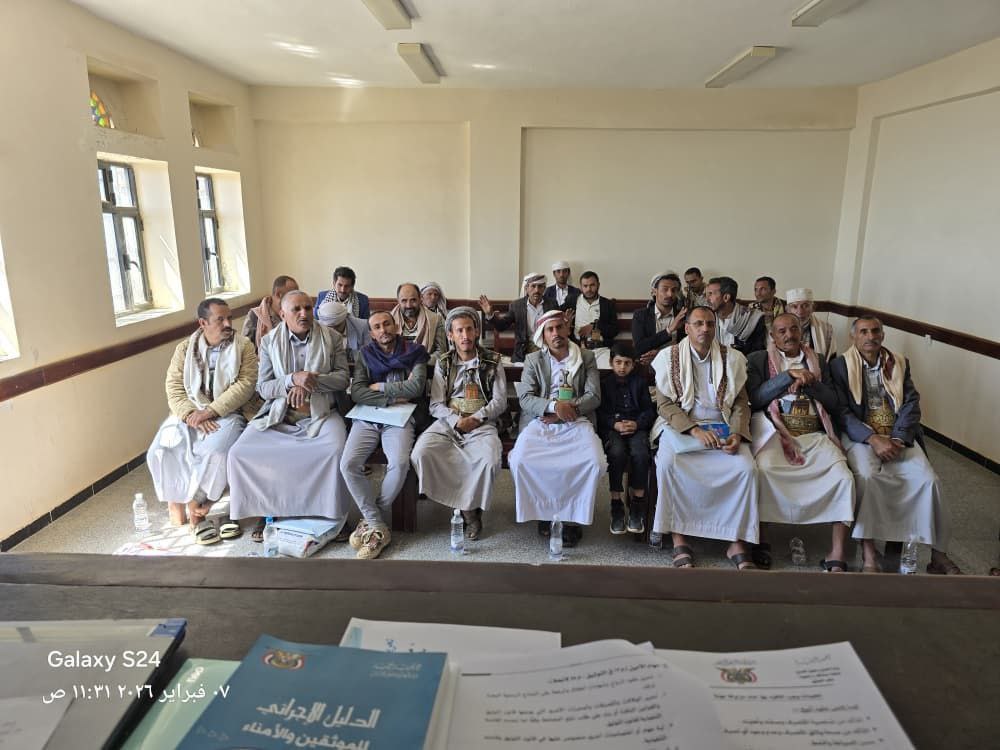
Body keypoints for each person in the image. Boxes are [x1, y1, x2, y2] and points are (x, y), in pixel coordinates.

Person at [829, 317, 961, 574]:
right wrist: (872, 438)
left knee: (929, 481)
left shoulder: (898, 362)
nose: (870, 337)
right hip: (860, 436)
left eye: (875, 331)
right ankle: (868, 551)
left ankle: (938, 555)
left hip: (898, 437)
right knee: (867, 477)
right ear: (853, 337)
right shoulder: (840, 366)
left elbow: (911, 404)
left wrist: (898, 438)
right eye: (863, 332)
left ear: (883, 335)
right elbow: (841, 411)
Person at [227, 291, 352, 540]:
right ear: (283, 314)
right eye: (296, 309)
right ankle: (266, 511)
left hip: (322, 414)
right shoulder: (269, 341)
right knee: (240, 453)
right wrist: (291, 379)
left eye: (308, 308)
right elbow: (264, 388)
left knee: (334, 452)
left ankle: (332, 516)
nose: (303, 314)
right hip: (279, 414)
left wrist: (310, 381)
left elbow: (342, 378)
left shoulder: (332, 337)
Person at [650, 306, 759, 570]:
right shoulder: (668, 357)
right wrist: (694, 430)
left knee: (746, 469)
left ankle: (735, 540)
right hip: (681, 426)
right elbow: (664, 405)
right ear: (686, 327)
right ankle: (679, 537)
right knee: (668, 465)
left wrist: (736, 433)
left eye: (710, 324)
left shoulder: (733, 358)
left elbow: (741, 403)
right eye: (698, 324)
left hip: (723, 425)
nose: (705, 329)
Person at [747, 313, 855, 572]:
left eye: (793, 329)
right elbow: (756, 398)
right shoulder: (758, 359)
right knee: (763, 470)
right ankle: (762, 539)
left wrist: (810, 382)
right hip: (776, 432)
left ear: (802, 332)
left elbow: (833, 402)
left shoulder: (819, 360)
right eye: (782, 331)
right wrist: (787, 376)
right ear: (772, 336)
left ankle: (837, 552)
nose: (789, 335)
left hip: (815, 433)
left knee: (843, 476)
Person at [147, 299, 257, 543]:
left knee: (216, 451)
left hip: (228, 412)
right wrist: (190, 414)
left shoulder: (243, 346)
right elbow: (174, 387)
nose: (228, 324)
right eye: (220, 319)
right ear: (203, 323)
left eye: (229, 318)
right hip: (189, 414)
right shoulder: (185, 349)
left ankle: (199, 505)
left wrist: (211, 411)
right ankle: (185, 504)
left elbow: (245, 385)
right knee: (161, 450)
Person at [508, 310, 606, 547]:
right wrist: (553, 406)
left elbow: (594, 396)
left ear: (567, 328)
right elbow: (526, 398)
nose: (556, 333)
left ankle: (572, 519)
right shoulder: (534, 360)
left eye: (559, 327)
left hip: (576, 420)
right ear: (543, 335)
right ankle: (544, 513)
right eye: (550, 329)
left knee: (593, 462)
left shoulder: (586, 357)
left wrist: (567, 410)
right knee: (520, 460)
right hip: (541, 420)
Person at [410, 307, 507, 541]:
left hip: (482, 422)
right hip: (449, 421)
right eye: (459, 331)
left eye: (469, 329)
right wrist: (456, 420)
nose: (465, 336)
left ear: (476, 332)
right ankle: (464, 506)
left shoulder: (492, 360)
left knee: (489, 460)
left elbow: (500, 401)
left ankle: (470, 511)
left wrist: (477, 418)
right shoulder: (444, 362)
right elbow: (435, 404)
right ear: (450, 335)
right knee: (422, 453)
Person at [340, 312, 429, 560]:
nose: (383, 330)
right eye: (377, 327)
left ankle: (371, 520)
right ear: (371, 333)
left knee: (399, 463)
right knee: (348, 464)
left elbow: (416, 388)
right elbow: (357, 392)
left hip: (401, 418)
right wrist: (393, 396)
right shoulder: (366, 354)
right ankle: (377, 524)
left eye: (387, 324)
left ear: (396, 325)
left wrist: (379, 387)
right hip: (368, 417)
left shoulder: (415, 352)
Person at [598, 345, 654, 535]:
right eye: (618, 362)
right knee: (616, 453)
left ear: (633, 364)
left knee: (641, 453)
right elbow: (601, 413)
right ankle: (616, 504)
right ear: (611, 363)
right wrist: (614, 424)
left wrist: (637, 424)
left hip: (636, 427)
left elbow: (649, 411)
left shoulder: (640, 383)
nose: (622, 367)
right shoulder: (605, 384)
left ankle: (637, 504)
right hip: (614, 428)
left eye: (627, 363)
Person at [479, 273, 559, 363]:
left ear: (544, 288)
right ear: (526, 288)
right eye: (533, 286)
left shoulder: (552, 304)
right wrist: (490, 314)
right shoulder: (517, 306)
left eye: (540, 286)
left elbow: (557, 327)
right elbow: (501, 326)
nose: (537, 290)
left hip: (547, 351)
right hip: (523, 353)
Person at [632, 272, 688, 367]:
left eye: (674, 290)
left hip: (676, 363)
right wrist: (669, 330)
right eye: (665, 289)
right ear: (654, 291)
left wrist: (661, 355)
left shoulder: (682, 315)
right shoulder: (641, 315)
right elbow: (639, 347)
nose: (670, 294)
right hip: (648, 364)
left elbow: (688, 347)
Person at [706, 276, 767, 355]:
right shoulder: (707, 319)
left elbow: (757, 354)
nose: (707, 299)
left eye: (711, 294)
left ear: (726, 297)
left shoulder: (753, 319)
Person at [242, 275, 299, 352]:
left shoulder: (296, 313)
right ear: (278, 294)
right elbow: (245, 349)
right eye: (292, 294)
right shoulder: (255, 315)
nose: (296, 298)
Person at [574, 270, 618, 368]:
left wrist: (594, 326)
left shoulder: (607, 304)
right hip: (577, 349)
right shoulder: (573, 301)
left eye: (592, 285)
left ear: (598, 285)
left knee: (609, 369)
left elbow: (614, 330)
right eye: (585, 286)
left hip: (601, 349)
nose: (589, 289)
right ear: (580, 287)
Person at [391, 282, 447, 358]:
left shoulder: (436, 319)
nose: (409, 305)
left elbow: (441, 352)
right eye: (404, 300)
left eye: (413, 300)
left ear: (420, 299)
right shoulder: (388, 321)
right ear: (398, 301)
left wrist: (421, 362)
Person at [785, 288, 836, 361]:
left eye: (805, 306)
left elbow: (831, 358)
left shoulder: (826, 329)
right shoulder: (779, 329)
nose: (800, 311)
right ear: (788, 310)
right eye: (794, 307)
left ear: (813, 308)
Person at [316, 300, 370, 365]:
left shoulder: (363, 326)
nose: (333, 331)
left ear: (345, 318)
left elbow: (368, 355)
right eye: (329, 327)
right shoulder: (316, 328)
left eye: (337, 326)